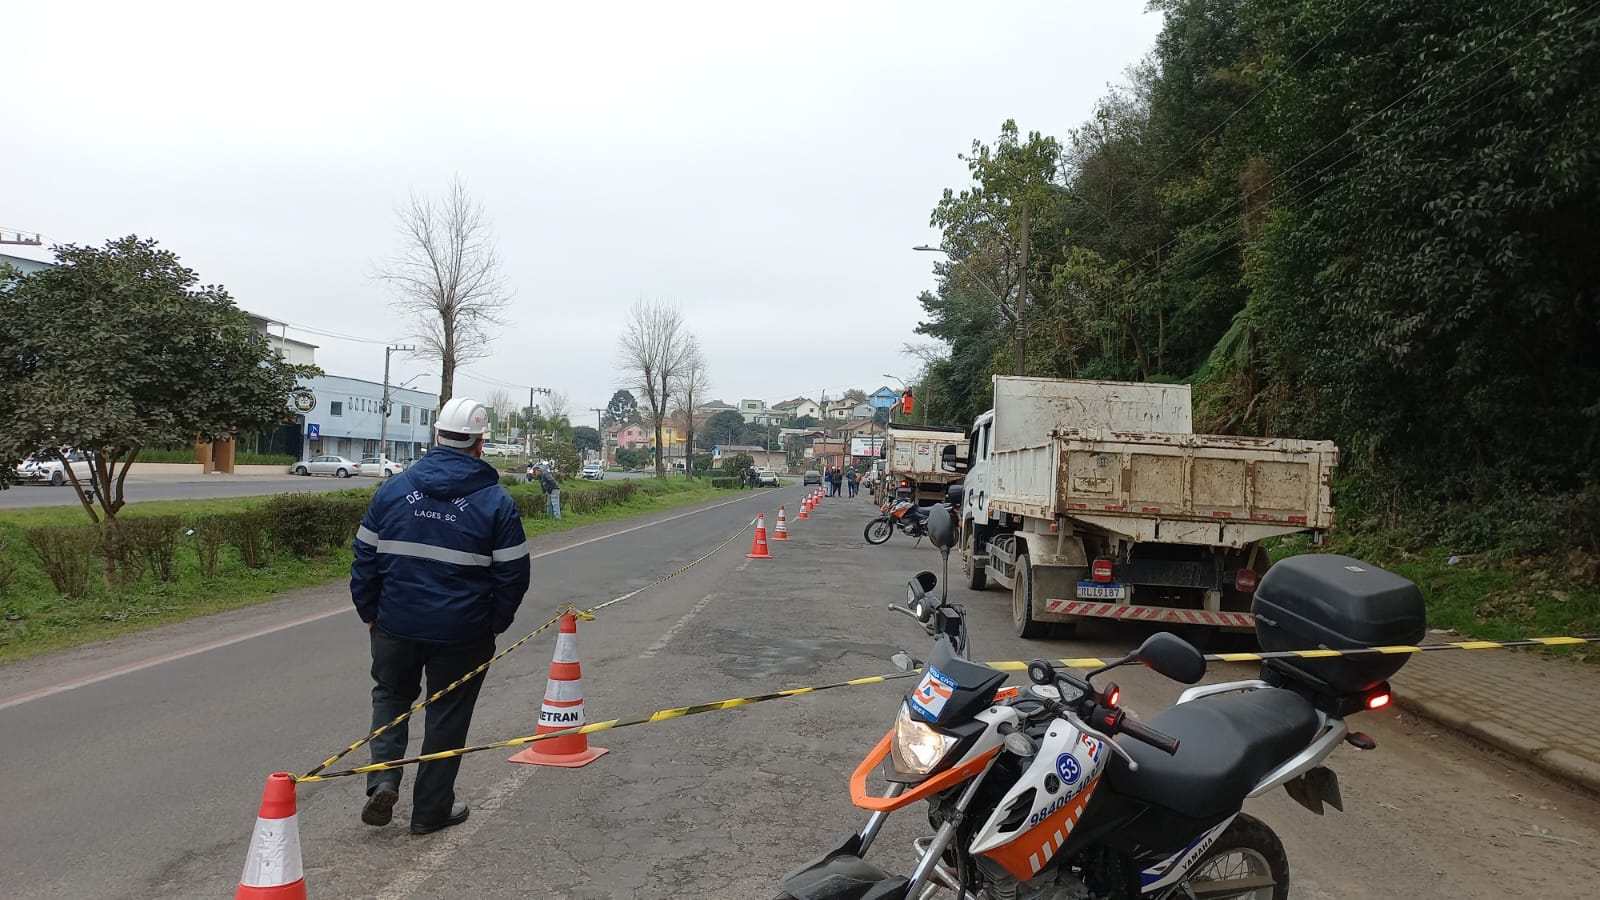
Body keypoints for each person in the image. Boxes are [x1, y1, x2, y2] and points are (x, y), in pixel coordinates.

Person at [351, 397, 531, 836]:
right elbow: (514, 575)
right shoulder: (495, 502)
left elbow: (364, 558)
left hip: (394, 624)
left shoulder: (393, 490)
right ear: (480, 443)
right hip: (463, 633)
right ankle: (431, 811)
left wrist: (370, 612)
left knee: (391, 699)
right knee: (447, 716)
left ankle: (384, 780)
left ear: (437, 436)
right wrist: (494, 623)